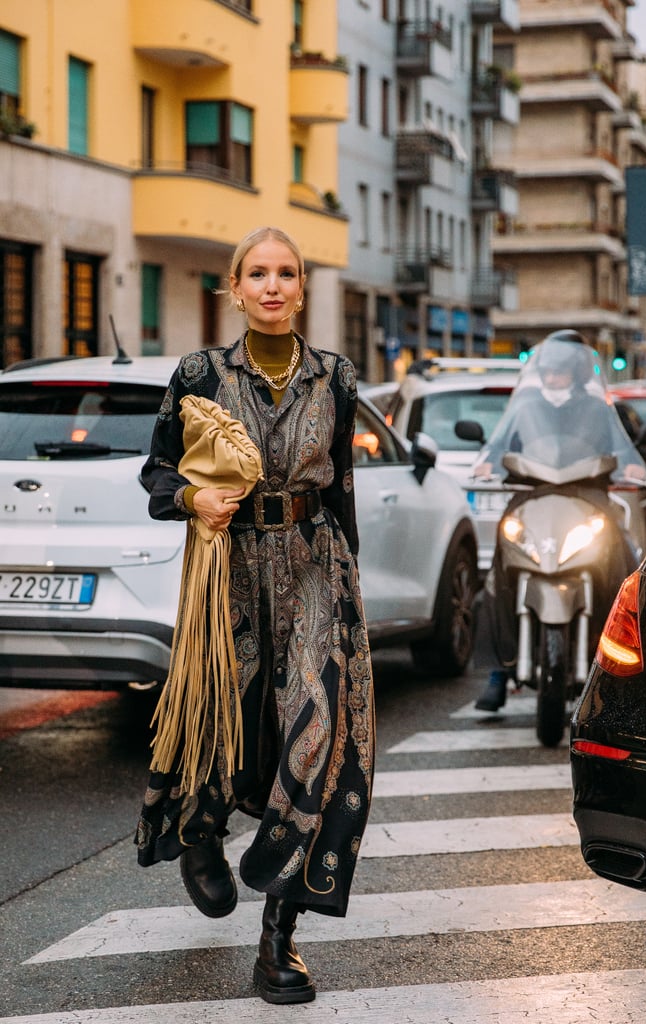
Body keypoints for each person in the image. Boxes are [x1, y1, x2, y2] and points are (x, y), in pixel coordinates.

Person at [134, 226, 375, 1005]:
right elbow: (156, 468)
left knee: (318, 738)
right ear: (233, 288)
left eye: (287, 273)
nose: (273, 285)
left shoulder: (334, 376)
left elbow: (340, 490)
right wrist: (188, 497)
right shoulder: (200, 373)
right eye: (257, 274)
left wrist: (349, 587)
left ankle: (278, 942)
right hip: (226, 571)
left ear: (301, 288)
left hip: (313, 567)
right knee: (219, 720)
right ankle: (197, 834)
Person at [473, 330, 646, 712]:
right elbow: (501, 443)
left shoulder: (599, 408)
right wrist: (489, 460)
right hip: (532, 493)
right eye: (549, 371)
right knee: (498, 570)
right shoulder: (525, 406)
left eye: (562, 372)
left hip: (588, 494)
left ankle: (626, 661)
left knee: (626, 560)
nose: (553, 378)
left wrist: (632, 462)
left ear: (578, 373)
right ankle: (497, 675)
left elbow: (621, 445)